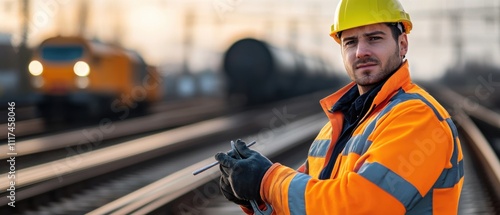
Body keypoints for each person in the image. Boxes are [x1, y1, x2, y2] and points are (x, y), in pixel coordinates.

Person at [215, 0, 464, 214]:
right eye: (351, 42)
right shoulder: (337, 126)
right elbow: (310, 203)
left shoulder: (417, 117)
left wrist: (267, 180)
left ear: (402, 44)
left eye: (374, 38)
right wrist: (255, 196)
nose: (361, 52)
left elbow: (360, 207)